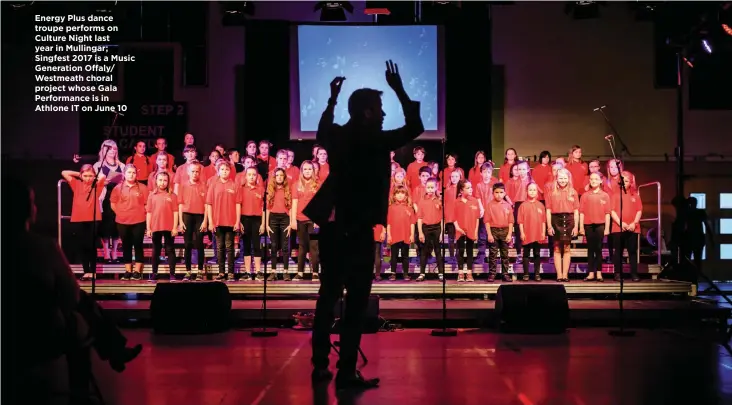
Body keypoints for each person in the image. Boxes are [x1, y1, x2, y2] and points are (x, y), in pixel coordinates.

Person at [305, 61, 424, 390]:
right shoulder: (376, 140)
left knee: (327, 298)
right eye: (381, 108)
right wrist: (399, 88)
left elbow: (322, 130)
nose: (384, 114)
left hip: (332, 228)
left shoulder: (339, 137)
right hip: (356, 231)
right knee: (355, 301)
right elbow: (415, 125)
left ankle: (319, 367)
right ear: (368, 113)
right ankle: (346, 372)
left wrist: (331, 100)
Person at [6, 177, 141, 405]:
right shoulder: (44, 248)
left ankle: (114, 348)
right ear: (28, 210)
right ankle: (82, 392)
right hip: (43, 332)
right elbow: (71, 296)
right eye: (33, 202)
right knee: (80, 313)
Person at [61, 165, 106, 280]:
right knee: (82, 246)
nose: (88, 178)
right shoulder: (76, 184)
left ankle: (93, 272)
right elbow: (64, 172)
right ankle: (86, 271)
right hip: (78, 218)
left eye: (90, 176)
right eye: (85, 176)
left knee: (91, 246)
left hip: (93, 219)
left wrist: (93, 176)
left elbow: (102, 176)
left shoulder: (96, 185)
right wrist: (80, 174)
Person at [110, 165, 149, 281]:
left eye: (133, 173)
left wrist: (143, 214)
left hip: (139, 221)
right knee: (126, 246)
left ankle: (137, 271)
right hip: (122, 221)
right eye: (129, 172)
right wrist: (120, 213)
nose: (131, 175)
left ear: (136, 174)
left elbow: (147, 204)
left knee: (138, 245)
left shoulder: (142, 187)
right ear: (124, 174)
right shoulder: (118, 188)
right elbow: (113, 204)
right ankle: (128, 270)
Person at [206, 161, 242, 281]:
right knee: (220, 247)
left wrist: (237, 221)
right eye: (222, 169)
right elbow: (209, 204)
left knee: (230, 247)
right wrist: (210, 222)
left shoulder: (234, 185)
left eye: (226, 170)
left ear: (230, 171)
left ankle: (230, 272)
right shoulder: (213, 185)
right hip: (217, 221)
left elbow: (238, 204)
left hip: (230, 221)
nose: (224, 171)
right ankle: (221, 272)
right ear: (218, 171)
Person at [545, 168, 579, 282]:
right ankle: (559, 275)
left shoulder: (573, 192)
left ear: (568, 179)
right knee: (557, 248)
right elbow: (548, 210)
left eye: (565, 178)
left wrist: (576, 226)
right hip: (556, 219)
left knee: (567, 248)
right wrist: (549, 226)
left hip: (569, 219)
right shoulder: (551, 192)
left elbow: (576, 211)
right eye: (560, 178)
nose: (563, 180)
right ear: (556, 179)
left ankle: (565, 275)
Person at [610, 171, 643, 282]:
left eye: (627, 180)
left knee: (632, 251)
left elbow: (639, 210)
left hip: (633, 228)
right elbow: (612, 211)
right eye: (622, 180)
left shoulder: (636, 196)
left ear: (631, 182)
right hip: (618, 227)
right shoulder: (615, 195)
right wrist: (621, 223)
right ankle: (618, 273)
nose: (624, 182)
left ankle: (634, 273)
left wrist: (634, 223)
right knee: (618, 251)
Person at [178, 161, 208, 281]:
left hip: (200, 216)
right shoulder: (183, 185)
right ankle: (188, 271)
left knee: (199, 243)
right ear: (188, 172)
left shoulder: (203, 186)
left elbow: (207, 204)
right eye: (193, 171)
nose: (195, 174)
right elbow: (180, 204)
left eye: (197, 171)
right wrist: (180, 221)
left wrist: (205, 221)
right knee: (187, 244)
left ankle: (200, 270)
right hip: (187, 215)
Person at [146, 172, 179, 281]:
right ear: (156, 181)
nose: (162, 182)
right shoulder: (152, 195)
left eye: (165, 180)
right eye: (160, 180)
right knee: (156, 250)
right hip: (156, 226)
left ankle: (172, 274)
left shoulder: (172, 195)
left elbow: (175, 212)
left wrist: (175, 227)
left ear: (168, 182)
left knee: (170, 250)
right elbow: (149, 212)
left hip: (169, 227)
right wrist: (149, 228)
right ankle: (154, 273)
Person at [292, 161, 321, 281]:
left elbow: (320, 203)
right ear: (302, 171)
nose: (307, 171)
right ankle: (300, 272)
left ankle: (315, 272)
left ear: (313, 171)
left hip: (312, 220)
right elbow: (294, 203)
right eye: (305, 169)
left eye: (310, 169)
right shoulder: (296, 184)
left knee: (314, 247)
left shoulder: (318, 184)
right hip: (300, 219)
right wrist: (293, 220)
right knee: (302, 246)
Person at [579, 172, 610, 282]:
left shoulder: (605, 195)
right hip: (588, 225)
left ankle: (599, 273)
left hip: (600, 225)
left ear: (601, 181)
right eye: (591, 179)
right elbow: (581, 212)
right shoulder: (585, 195)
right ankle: (591, 273)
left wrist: (606, 228)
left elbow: (607, 213)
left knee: (599, 249)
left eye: (596, 179)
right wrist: (581, 227)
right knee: (590, 249)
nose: (593, 181)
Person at [239, 167, 266, 281]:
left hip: (257, 220)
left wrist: (263, 223)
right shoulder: (241, 189)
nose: (251, 177)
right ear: (246, 176)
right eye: (249, 174)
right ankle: (248, 272)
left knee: (256, 245)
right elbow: (238, 206)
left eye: (253, 175)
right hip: (245, 219)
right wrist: (239, 221)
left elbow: (263, 208)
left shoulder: (261, 189)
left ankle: (258, 271)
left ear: (257, 176)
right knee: (246, 246)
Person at [416, 177, 445, 282]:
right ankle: (422, 273)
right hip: (426, 228)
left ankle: (441, 273)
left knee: (438, 251)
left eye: (432, 187)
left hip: (437, 227)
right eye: (428, 187)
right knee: (424, 251)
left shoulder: (439, 200)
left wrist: (442, 232)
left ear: (436, 187)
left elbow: (442, 218)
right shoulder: (422, 201)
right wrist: (420, 232)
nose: (430, 189)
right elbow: (419, 218)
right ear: (425, 188)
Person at [484, 183, 514, 282]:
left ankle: (505, 274)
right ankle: (492, 273)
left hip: (505, 231)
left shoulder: (508, 205)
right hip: (494, 231)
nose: (499, 195)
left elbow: (510, 221)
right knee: (493, 254)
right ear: (493, 193)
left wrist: (509, 234)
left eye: (501, 192)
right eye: (496, 192)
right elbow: (487, 221)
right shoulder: (489, 205)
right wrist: (489, 234)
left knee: (504, 254)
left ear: (504, 193)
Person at [517, 182, 546, 281]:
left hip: (538, 233)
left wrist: (543, 232)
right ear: (526, 191)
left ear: (537, 192)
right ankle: (526, 274)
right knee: (526, 254)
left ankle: (537, 274)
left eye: (534, 190)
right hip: (527, 233)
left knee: (537, 253)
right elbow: (520, 221)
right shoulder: (523, 205)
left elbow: (543, 221)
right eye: (530, 190)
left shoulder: (541, 205)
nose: (532, 192)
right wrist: (522, 233)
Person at [453, 180, 480, 282]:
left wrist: (476, 231)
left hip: (471, 230)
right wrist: (458, 228)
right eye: (468, 188)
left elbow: (477, 218)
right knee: (460, 251)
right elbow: (453, 217)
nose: (470, 189)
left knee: (469, 251)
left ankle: (469, 273)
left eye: (471, 187)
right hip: (460, 230)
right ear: (461, 190)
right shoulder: (456, 202)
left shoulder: (474, 201)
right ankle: (460, 273)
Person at [386, 185, 415, 281]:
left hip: (405, 235)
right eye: (397, 193)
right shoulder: (391, 208)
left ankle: (405, 274)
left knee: (405, 255)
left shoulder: (409, 208)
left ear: (406, 196)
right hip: (394, 235)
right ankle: (393, 273)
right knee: (393, 256)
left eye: (402, 193)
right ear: (394, 195)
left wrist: (412, 235)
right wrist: (389, 235)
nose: (400, 195)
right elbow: (389, 223)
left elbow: (412, 223)